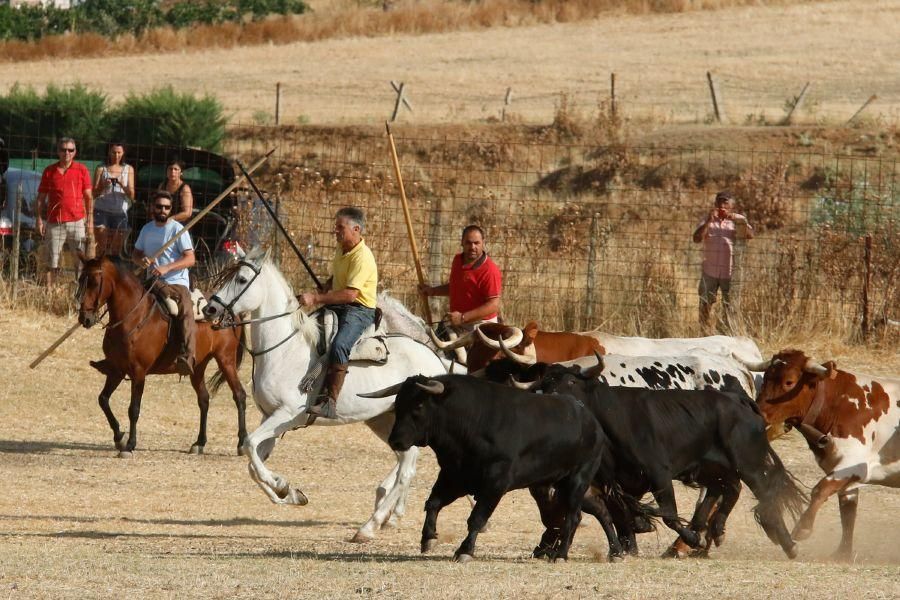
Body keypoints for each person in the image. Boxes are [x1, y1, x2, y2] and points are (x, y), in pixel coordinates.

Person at [299, 207, 377, 419]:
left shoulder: (363, 257)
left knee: (340, 344)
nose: (336, 231)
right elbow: (338, 277)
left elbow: (351, 295)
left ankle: (330, 402)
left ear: (356, 229)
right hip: (339, 304)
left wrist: (316, 298)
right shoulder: (342, 248)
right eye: (336, 227)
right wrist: (325, 286)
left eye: (340, 228)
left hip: (359, 310)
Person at [132, 190, 197, 376]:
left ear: (171, 209)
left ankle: (188, 355)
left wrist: (167, 268)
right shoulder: (147, 229)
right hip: (152, 281)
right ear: (153, 207)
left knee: (184, 311)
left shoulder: (178, 230)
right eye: (159, 206)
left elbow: (190, 259)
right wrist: (141, 261)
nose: (163, 210)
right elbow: (136, 254)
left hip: (176, 282)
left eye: (166, 207)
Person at [419, 224, 502, 333]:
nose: (472, 247)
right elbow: (456, 288)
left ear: (483, 243)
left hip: (481, 326)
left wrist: (463, 317)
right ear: (462, 242)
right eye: (468, 242)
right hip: (459, 323)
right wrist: (432, 291)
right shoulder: (457, 260)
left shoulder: (490, 270)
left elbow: (493, 305)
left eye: (476, 243)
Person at [34, 137, 93, 286]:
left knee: (80, 262)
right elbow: (40, 198)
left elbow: (88, 197)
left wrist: (90, 221)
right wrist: (39, 219)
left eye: (70, 150)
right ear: (58, 151)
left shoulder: (82, 170)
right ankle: (49, 293)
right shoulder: (49, 171)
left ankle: (79, 293)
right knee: (51, 260)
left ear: (75, 152)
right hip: (55, 222)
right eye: (63, 149)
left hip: (77, 221)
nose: (67, 153)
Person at [692, 190, 754, 330]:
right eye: (719, 201)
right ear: (715, 203)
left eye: (725, 202)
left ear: (732, 205)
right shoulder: (707, 221)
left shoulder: (737, 221)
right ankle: (704, 332)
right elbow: (696, 239)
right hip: (710, 271)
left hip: (730, 272)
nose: (721, 205)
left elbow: (751, 235)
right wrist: (708, 220)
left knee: (730, 306)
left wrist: (735, 218)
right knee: (705, 304)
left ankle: (728, 332)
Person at [92, 142, 135, 258]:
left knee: (116, 249)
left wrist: (121, 184)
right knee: (101, 247)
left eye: (119, 152)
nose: (116, 155)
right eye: (114, 152)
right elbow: (93, 194)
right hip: (102, 210)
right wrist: (102, 186)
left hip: (120, 212)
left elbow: (132, 195)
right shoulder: (101, 168)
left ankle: (113, 270)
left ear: (123, 153)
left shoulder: (129, 169)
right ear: (108, 152)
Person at [157, 158, 193, 224]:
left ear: (181, 172)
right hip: (161, 222)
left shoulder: (185, 188)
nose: (172, 172)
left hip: (180, 225)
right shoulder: (162, 185)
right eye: (170, 169)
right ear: (166, 171)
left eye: (176, 169)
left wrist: (169, 219)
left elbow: (187, 213)